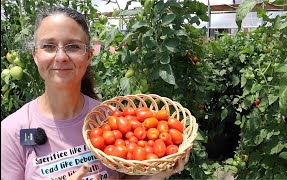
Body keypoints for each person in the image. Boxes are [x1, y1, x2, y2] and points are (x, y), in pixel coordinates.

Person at [0, 7, 191, 180]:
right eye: (48, 46)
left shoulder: (107, 117)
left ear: (89, 56)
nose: (61, 57)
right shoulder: (12, 131)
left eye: (73, 46)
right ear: (35, 55)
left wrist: (158, 173)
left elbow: (124, 178)